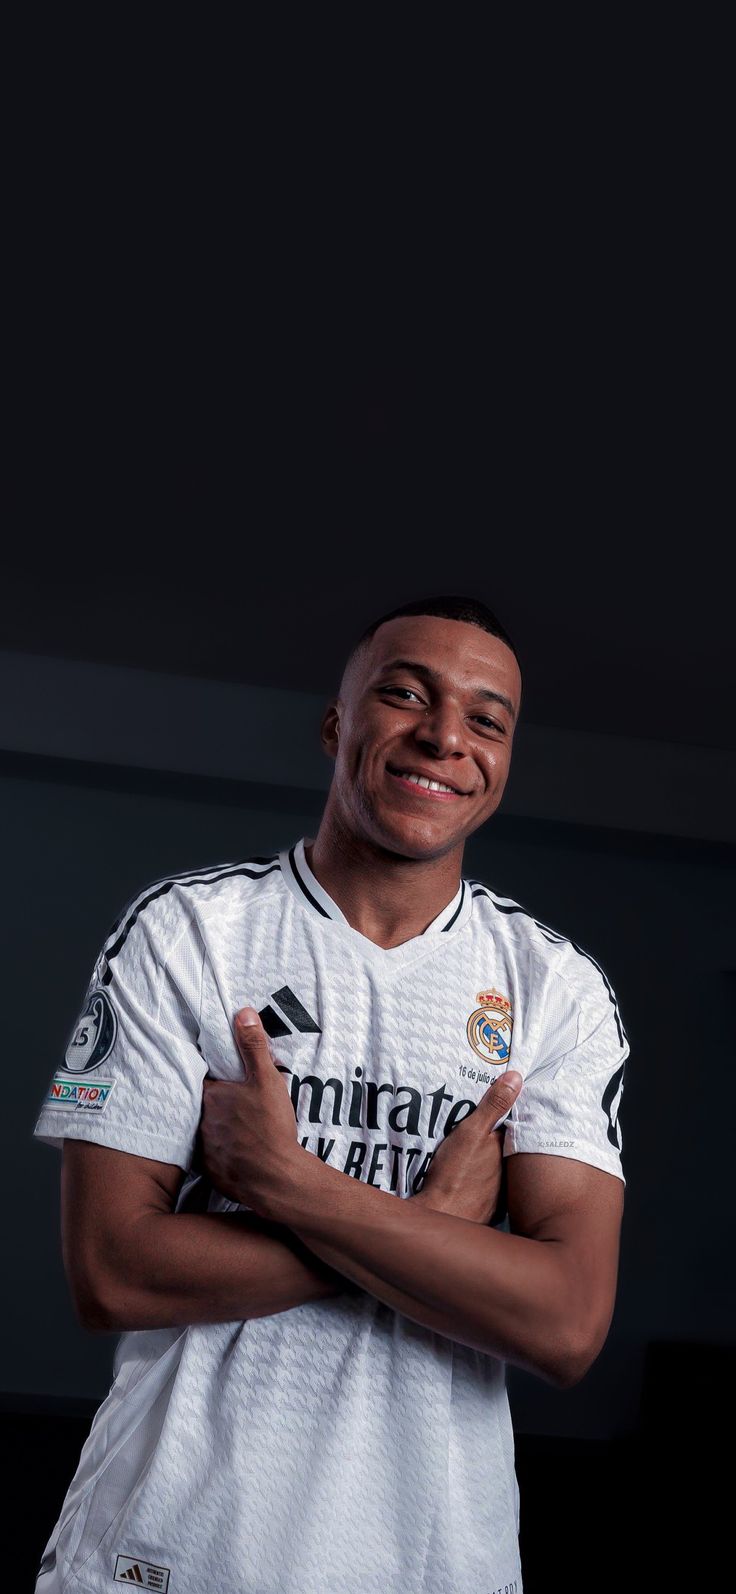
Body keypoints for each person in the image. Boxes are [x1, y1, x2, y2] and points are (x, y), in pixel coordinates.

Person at [32, 594, 630, 1594]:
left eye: (486, 719)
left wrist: (290, 1183)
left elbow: (565, 1324)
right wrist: (430, 1229)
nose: (444, 735)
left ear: (505, 760)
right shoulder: (188, 934)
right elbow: (113, 1274)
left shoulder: (553, 987)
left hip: (428, 1559)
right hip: (171, 1546)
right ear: (334, 724)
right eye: (404, 694)